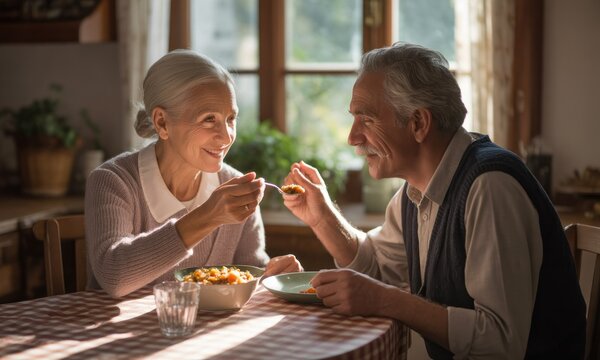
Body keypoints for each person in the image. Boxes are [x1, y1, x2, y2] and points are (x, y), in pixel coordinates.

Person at [282, 43, 586, 359]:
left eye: (367, 119)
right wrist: (321, 217)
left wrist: (386, 300)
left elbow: (501, 343)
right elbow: (374, 270)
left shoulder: (490, 186)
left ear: (418, 124)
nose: (352, 137)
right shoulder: (414, 194)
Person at [85, 49, 301, 298]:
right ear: (162, 123)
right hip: (116, 336)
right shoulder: (113, 181)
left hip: (206, 336)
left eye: (231, 119)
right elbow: (114, 277)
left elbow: (250, 270)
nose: (226, 136)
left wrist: (271, 276)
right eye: (209, 119)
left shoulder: (234, 187)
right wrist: (209, 216)